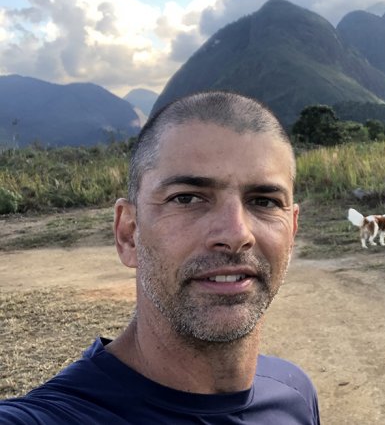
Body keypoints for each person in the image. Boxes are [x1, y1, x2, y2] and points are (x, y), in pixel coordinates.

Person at [0, 91, 320, 424]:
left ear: (292, 230)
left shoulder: (294, 395)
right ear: (129, 232)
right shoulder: (55, 417)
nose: (237, 234)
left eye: (264, 201)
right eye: (187, 198)